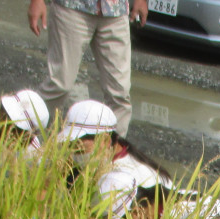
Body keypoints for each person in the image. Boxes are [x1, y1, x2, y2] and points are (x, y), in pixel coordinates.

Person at [27, 0, 146, 137]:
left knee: (120, 94)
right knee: (59, 85)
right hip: (72, 8)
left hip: (116, 13)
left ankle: (110, 155)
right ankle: (21, 137)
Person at [58, 99, 173, 219]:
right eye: (68, 144)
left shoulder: (123, 180)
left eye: (78, 147)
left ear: (105, 140)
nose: (72, 153)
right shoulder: (108, 158)